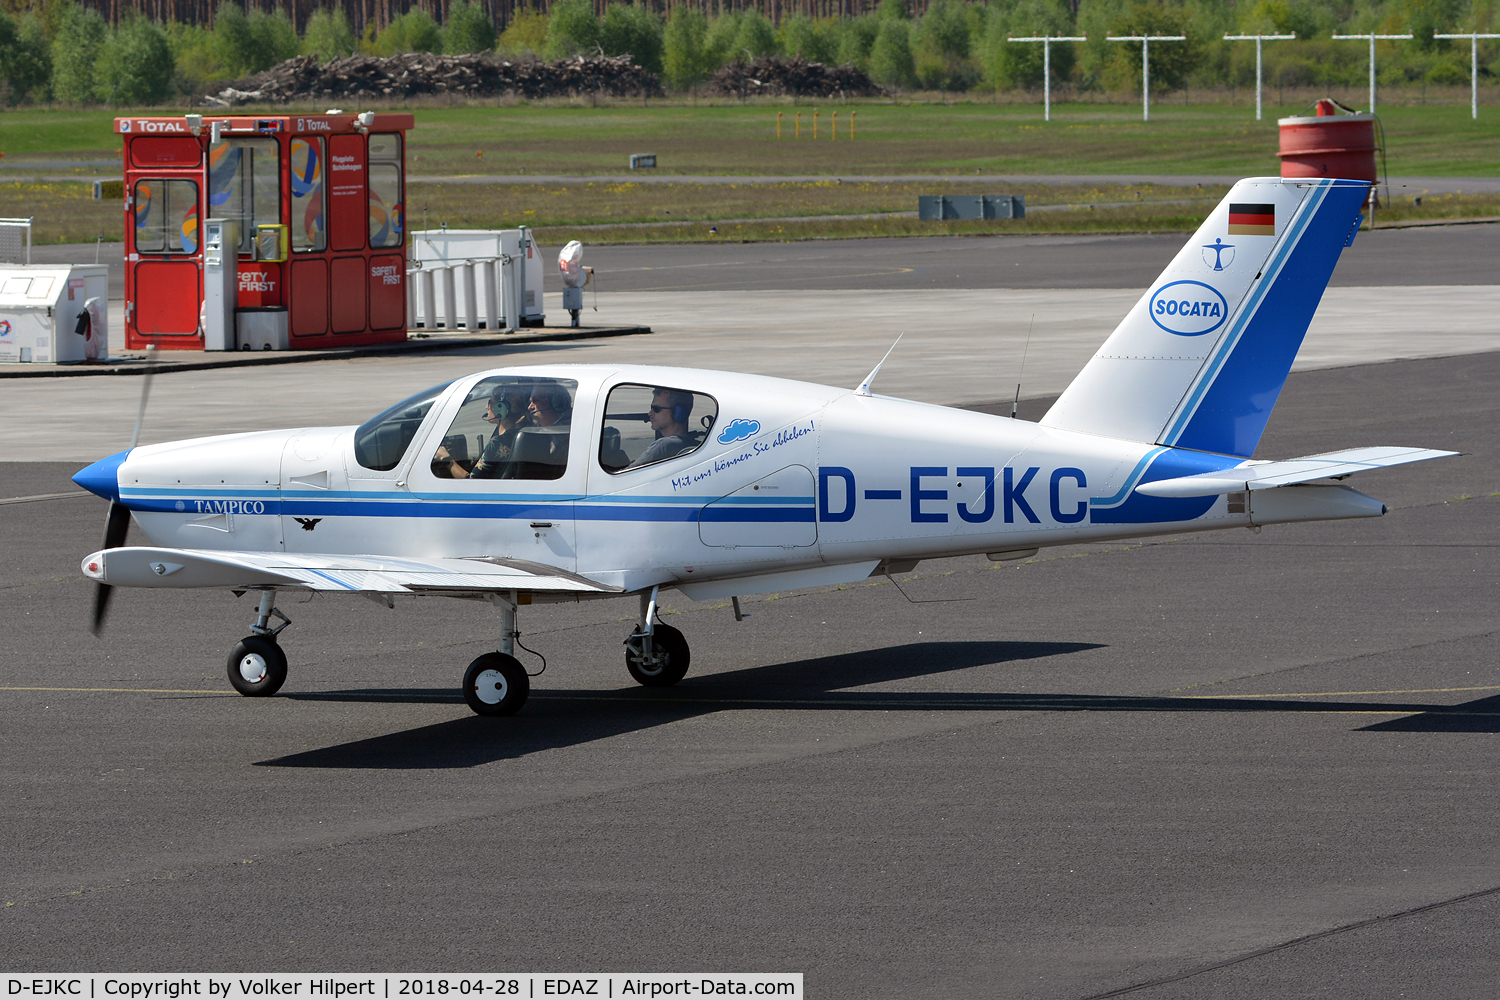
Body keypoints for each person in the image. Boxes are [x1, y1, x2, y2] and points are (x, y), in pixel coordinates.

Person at [432, 387, 529, 479]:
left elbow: (472, 483)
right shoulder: (518, 437)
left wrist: (447, 460)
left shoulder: (497, 443)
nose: (486, 407)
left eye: (490, 403)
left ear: (501, 408)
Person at [628, 388, 695, 468]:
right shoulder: (696, 445)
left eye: (656, 409)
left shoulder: (663, 446)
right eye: (651, 408)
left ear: (678, 412)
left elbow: (626, 475)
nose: (650, 413)